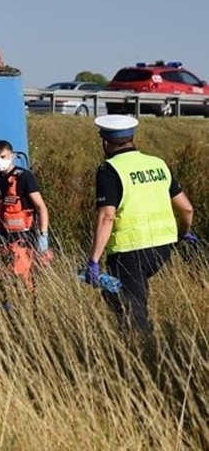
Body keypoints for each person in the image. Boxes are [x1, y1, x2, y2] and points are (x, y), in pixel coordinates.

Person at [86, 115, 194, 337]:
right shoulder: (158, 164)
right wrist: (184, 233)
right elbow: (186, 209)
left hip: (130, 250)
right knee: (127, 293)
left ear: (105, 142)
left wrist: (94, 261)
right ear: (132, 138)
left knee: (133, 311)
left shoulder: (109, 169)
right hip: (162, 248)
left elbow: (107, 216)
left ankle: (143, 351)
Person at [0, 139, 52, 294]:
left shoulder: (24, 177)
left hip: (24, 238)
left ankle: (28, 311)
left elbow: (41, 207)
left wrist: (43, 237)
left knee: (23, 281)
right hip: (3, 240)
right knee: (4, 283)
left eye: (2, 157)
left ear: (12, 156)